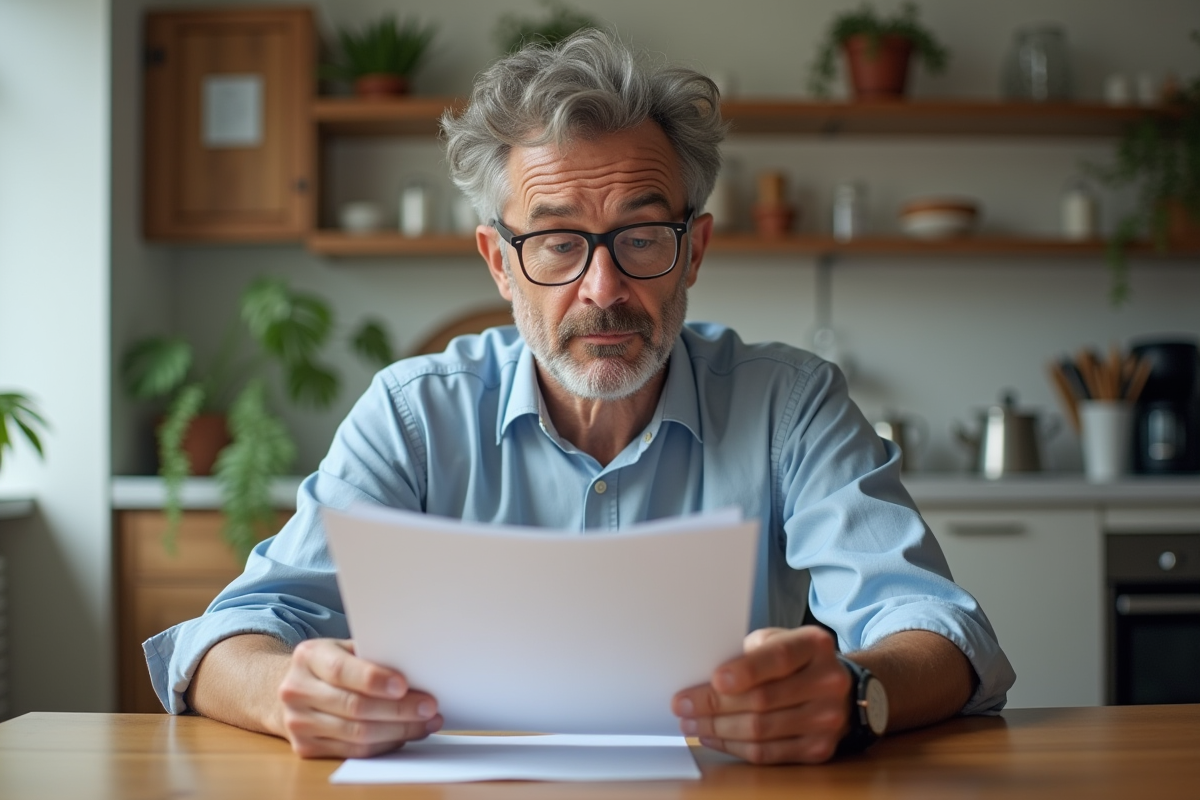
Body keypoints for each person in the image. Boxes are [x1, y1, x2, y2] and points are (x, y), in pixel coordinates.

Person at [145, 30, 1014, 765]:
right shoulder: (414, 415)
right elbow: (233, 634)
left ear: (695, 250)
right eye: (558, 242)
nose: (603, 288)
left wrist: (859, 692)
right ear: (498, 260)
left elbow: (936, 627)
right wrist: (286, 690)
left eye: (642, 236)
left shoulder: (791, 404)